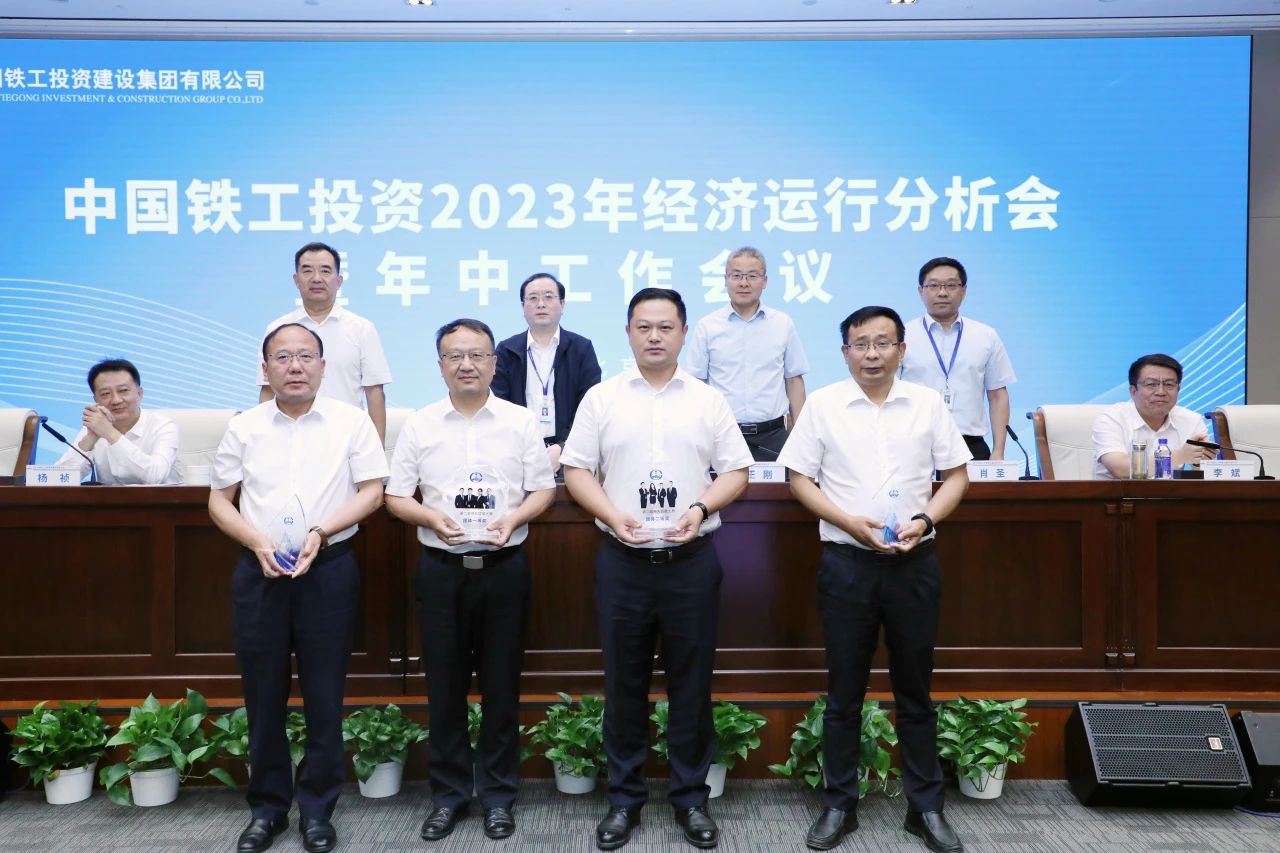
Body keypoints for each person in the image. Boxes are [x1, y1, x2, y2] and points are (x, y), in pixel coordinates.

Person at [561, 287, 752, 851]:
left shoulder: (707, 400)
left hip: (691, 564)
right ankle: (624, 801)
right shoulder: (601, 398)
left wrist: (700, 509)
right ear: (628, 333)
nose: (654, 336)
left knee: (692, 685)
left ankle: (691, 799)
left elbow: (735, 471)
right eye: (643, 326)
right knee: (625, 685)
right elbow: (576, 471)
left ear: (684, 334)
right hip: (623, 562)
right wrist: (611, 514)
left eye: (665, 327)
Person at [778, 306, 971, 853]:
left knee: (915, 691)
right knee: (844, 692)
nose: (872, 354)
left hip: (914, 564)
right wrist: (847, 521)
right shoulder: (824, 405)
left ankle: (925, 808)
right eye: (861, 344)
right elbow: (798, 478)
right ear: (845, 353)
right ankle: (839, 805)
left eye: (883, 343)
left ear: (901, 350)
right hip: (848, 565)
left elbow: (957, 475)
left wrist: (925, 519)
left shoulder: (927, 403)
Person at [209, 323, 388, 853]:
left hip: (327, 569)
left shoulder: (351, 421)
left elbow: (373, 491)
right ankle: (267, 811)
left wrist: (322, 531)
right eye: (283, 357)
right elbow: (218, 500)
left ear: (323, 367)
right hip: (259, 571)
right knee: (263, 696)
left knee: (324, 695)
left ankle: (317, 811)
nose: (295, 366)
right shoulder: (244, 426)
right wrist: (256, 541)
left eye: (306, 356)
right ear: (265, 369)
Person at [385, 319, 556, 843]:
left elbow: (542, 490)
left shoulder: (519, 421)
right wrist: (430, 518)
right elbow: (396, 496)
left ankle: (499, 797)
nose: (466, 365)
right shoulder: (420, 424)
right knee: (445, 689)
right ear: (439, 365)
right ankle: (450, 796)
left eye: (477, 355)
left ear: (494, 363)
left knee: (502, 688)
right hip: (442, 572)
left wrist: (515, 517)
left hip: (504, 570)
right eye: (455, 356)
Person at [258, 241, 393, 442]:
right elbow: (267, 391)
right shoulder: (276, 329)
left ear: (339, 281)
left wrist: (376, 449)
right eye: (307, 271)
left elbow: (374, 394)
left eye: (325, 271)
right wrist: (264, 441)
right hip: (289, 439)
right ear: (296, 280)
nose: (316, 278)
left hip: (347, 438)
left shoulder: (362, 328)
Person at [685, 246, 810, 461]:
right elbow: (696, 383)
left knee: (780, 485)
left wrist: (802, 435)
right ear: (726, 280)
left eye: (752, 276)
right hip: (722, 435)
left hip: (773, 436)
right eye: (736, 276)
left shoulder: (782, 324)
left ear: (765, 281)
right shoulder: (707, 326)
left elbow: (794, 381)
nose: (744, 283)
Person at [900, 257, 1016, 461]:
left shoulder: (986, 335)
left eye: (951, 285)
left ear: (964, 290)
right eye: (934, 286)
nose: (942, 292)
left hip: (971, 446)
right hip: (914, 444)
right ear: (921, 291)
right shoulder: (901, 336)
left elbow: (998, 396)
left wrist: (998, 451)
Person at [492, 272, 602, 471]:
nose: (541, 304)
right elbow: (500, 406)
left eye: (549, 297)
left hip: (570, 456)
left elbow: (589, 406)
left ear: (562, 304)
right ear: (523, 306)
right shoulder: (506, 350)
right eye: (533, 298)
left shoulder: (581, 348)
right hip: (517, 454)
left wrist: (564, 447)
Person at [54, 358, 181, 484]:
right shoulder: (96, 428)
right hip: (109, 498)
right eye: (105, 393)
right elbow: (57, 480)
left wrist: (109, 433)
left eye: (123, 391)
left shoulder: (163, 426)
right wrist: (89, 440)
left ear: (139, 393)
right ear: (96, 399)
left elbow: (156, 476)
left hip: (163, 498)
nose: (116, 400)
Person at [1092, 353, 1217, 479]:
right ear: (1133, 391)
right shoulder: (1111, 419)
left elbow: (1200, 478)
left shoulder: (1192, 420)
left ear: (1178, 390)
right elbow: (1121, 469)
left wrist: (1201, 461)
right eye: (1151, 384)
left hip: (1172, 491)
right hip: (1119, 491)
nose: (1161, 392)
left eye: (1169, 385)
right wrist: (1181, 455)